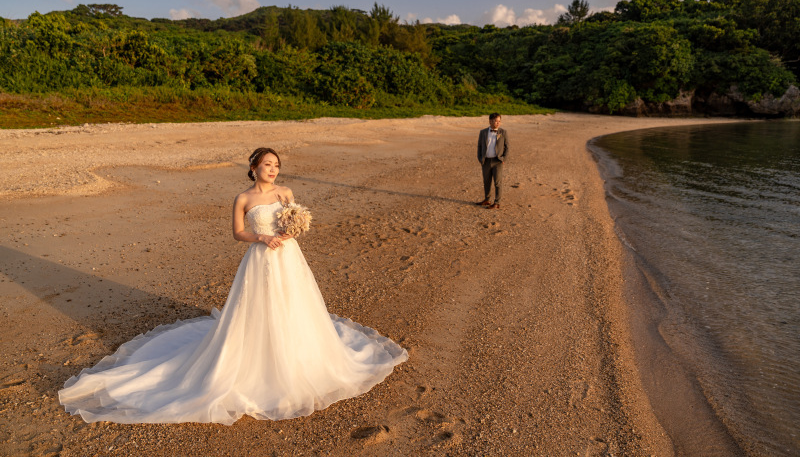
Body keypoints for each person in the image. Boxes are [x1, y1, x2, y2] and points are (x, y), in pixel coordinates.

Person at [58, 147, 408, 425]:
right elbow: (238, 233)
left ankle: (298, 355)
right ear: (253, 167)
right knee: (255, 307)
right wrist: (262, 237)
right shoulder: (243, 198)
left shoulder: (286, 192)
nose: (273, 170)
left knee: (293, 304)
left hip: (288, 256)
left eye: (276, 165)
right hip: (260, 257)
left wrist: (290, 231)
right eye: (267, 164)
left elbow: (296, 220)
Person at [476, 113, 509, 209]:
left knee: (497, 182)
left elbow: (507, 147)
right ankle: (487, 199)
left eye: (499, 121)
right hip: (486, 161)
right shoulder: (483, 132)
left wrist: (504, 158)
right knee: (486, 181)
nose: (498, 123)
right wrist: (480, 158)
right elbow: (479, 146)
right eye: (495, 121)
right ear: (490, 121)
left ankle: (497, 202)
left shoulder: (503, 132)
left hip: (497, 161)